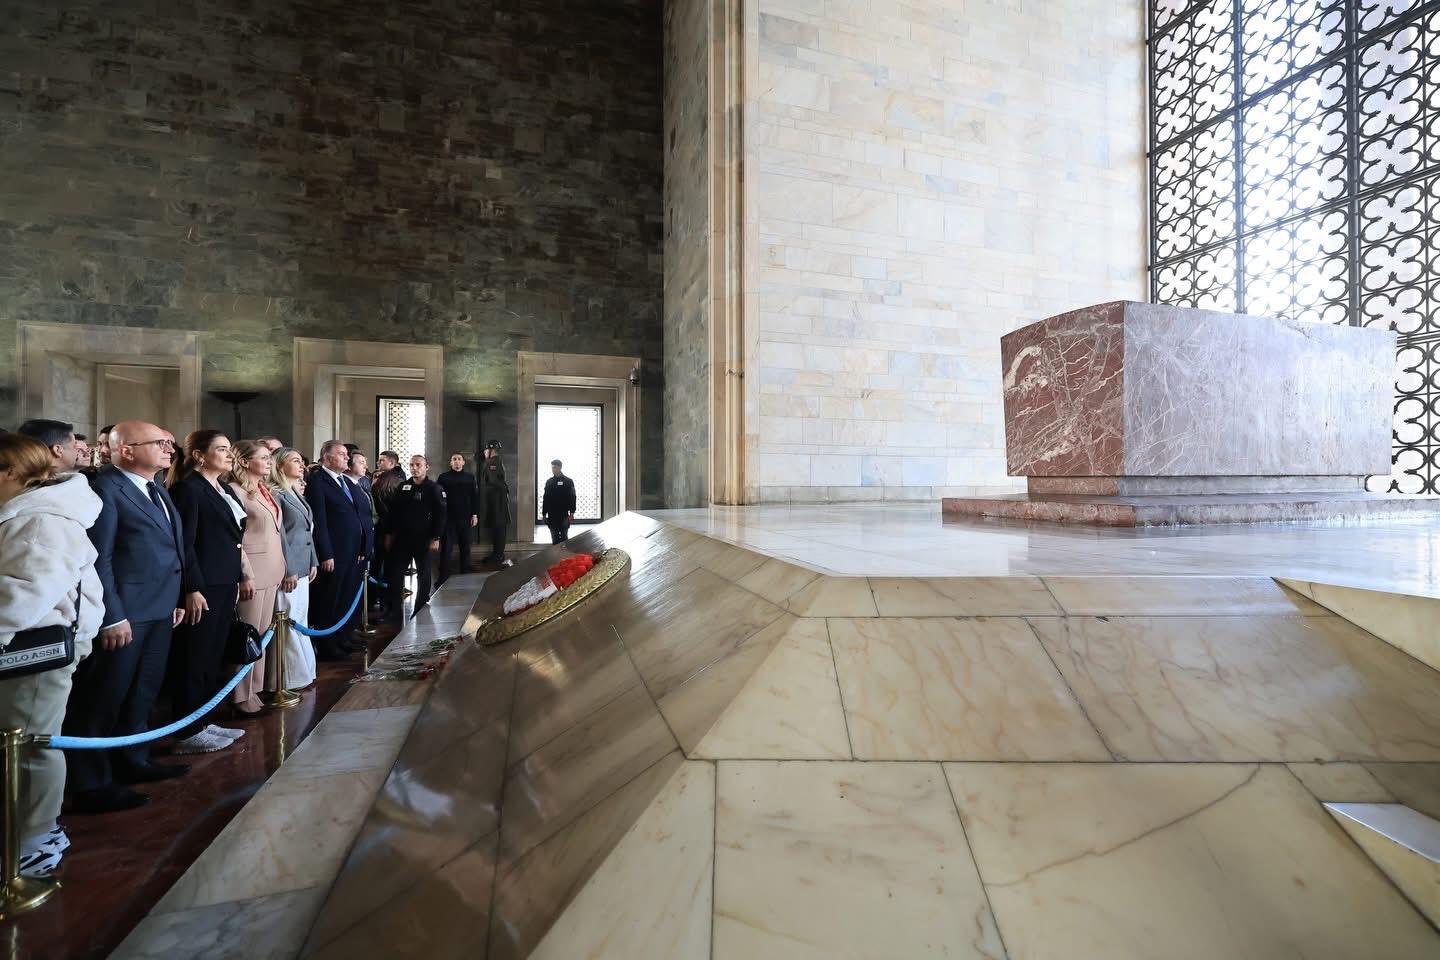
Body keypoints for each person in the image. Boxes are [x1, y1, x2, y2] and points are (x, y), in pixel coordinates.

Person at [64, 421, 187, 814]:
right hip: (126, 613)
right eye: (160, 443)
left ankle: (133, 759)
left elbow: (169, 547)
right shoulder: (106, 489)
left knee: (142, 691)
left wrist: (176, 597)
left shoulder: (156, 487)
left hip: (160, 607)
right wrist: (112, 617)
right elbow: (99, 559)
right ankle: (92, 783)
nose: (169, 449)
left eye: (170, 443)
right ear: (127, 450)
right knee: (103, 697)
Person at [0, 434, 104, 877]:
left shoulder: (41, 518)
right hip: (23, 643)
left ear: (9, 471)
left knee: (31, 745)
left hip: (34, 646)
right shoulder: (26, 511)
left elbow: (24, 594)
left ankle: (34, 839)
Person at [165, 431, 248, 754]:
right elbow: (185, 544)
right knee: (194, 657)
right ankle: (187, 730)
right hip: (203, 585)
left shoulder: (221, 488)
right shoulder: (189, 489)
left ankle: (204, 720)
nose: (229, 455)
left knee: (212, 655)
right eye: (222, 449)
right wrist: (192, 587)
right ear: (200, 455)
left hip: (224, 582)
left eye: (229, 449)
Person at [227, 441, 284, 714]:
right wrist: (244, 572)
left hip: (271, 569)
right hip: (253, 571)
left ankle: (254, 689)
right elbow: (235, 538)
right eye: (264, 457)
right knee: (246, 635)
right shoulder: (235, 491)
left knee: (260, 636)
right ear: (245, 461)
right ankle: (239, 694)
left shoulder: (263, 489)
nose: (270, 461)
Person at [304, 440, 367, 660]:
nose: (347, 457)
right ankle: (327, 646)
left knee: (344, 598)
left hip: (351, 551)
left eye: (346, 454)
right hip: (333, 553)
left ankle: (341, 638)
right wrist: (326, 553)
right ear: (327, 457)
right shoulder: (318, 482)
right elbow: (319, 522)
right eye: (341, 454)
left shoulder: (343, 481)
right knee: (329, 600)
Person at [269, 448, 318, 690]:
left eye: (301, 461)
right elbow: (280, 537)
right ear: (279, 466)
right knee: (288, 618)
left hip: (303, 566)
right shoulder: (275, 493)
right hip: (289, 569)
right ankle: (289, 677)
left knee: (300, 617)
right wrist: (288, 569)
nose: (301, 465)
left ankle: (304, 672)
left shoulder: (294, 491)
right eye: (295, 461)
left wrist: (313, 560)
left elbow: (307, 530)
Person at [386, 455, 446, 613]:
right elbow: (394, 512)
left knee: (423, 573)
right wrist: (390, 534)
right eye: (411, 465)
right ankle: (394, 608)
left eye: (418, 465)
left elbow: (441, 515)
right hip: (403, 538)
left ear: (426, 467)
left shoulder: (434, 488)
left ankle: (421, 604)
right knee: (396, 572)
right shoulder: (403, 487)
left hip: (423, 538)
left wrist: (436, 537)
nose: (414, 468)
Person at [435, 451, 478, 579]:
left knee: (465, 546)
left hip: (466, 517)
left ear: (463, 462)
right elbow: (438, 497)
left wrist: (474, 515)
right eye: (454, 459)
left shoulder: (470, 477)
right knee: (447, 547)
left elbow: (474, 497)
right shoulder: (443, 477)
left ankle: (465, 571)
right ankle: (444, 575)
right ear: (451, 462)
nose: (457, 461)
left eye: (459, 459)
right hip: (448, 518)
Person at [478, 441, 511, 566]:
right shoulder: (496, 461)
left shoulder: (491, 462)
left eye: (486, 450)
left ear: (491, 450)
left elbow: (493, 480)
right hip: (497, 500)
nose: (484, 452)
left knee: (499, 529)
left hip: (497, 501)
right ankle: (497, 554)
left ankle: (498, 556)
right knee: (498, 529)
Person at [541, 459, 578, 544]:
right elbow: (546, 498)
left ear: (560, 467)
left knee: (564, 538)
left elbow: (572, 497)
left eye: (555, 467)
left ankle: (564, 553)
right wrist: (544, 514)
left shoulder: (568, 481)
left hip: (564, 514)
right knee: (554, 538)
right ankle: (556, 553)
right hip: (552, 514)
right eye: (552, 468)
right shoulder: (549, 482)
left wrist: (572, 512)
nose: (553, 470)